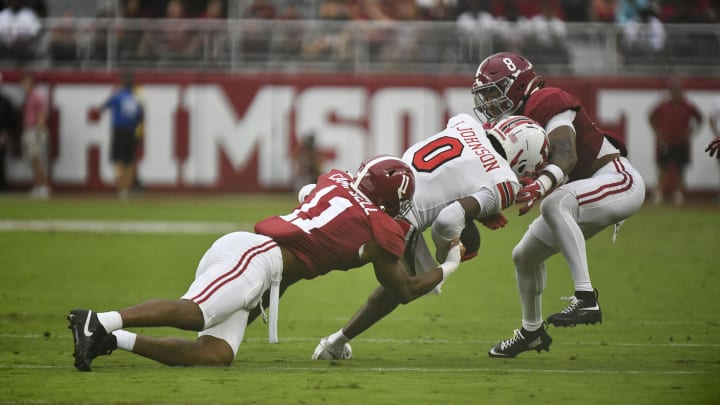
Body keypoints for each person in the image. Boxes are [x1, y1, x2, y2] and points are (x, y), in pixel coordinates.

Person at [67, 155, 466, 371]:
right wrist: (451, 261)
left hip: (252, 254)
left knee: (215, 354)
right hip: (256, 259)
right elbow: (405, 289)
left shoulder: (335, 182)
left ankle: (109, 339)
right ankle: (100, 320)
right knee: (196, 314)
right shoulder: (377, 228)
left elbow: (310, 192)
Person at [311, 114, 550, 360]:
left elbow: (452, 174)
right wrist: (448, 250)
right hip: (399, 214)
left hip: (379, 186)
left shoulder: (464, 122)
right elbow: (447, 220)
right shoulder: (506, 182)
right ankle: (335, 344)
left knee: (319, 245)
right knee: (401, 287)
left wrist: (475, 211)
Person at [471, 51, 645, 357]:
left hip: (618, 180)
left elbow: (566, 155)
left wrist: (540, 186)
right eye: (485, 95)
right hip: (582, 193)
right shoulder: (513, 123)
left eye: (494, 92)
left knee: (554, 203)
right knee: (524, 256)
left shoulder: (546, 100)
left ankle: (586, 297)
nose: (490, 103)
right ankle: (532, 331)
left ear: (517, 85)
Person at [648, 78, 702, 205]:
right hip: (665, 142)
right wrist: (657, 132)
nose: (675, 94)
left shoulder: (687, 106)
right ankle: (659, 193)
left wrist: (691, 132)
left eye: (677, 91)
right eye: (672, 91)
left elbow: (699, 118)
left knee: (680, 169)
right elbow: (651, 116)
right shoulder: (663, 106)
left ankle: (679, 194)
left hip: (681, 142)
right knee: (662, 168)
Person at [94, 72, 144, 200]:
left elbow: (103, 107)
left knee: (118, 159)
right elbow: (140, 116)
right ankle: (127, 188)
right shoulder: (135, 98)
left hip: (119, 130)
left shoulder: (118, 96)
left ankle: (121, 188)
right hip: (131, 131)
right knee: (129, 160)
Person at [21, 72, 49, 199]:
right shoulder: (28, 96)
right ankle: (38, 185)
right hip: (29, 129)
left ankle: (43, 186)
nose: (23, 85)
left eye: (25, 82)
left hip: (34, 130)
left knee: (37, 159)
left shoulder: (37, 96)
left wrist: (39, 131)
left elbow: (42, 114)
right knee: (32, 160)